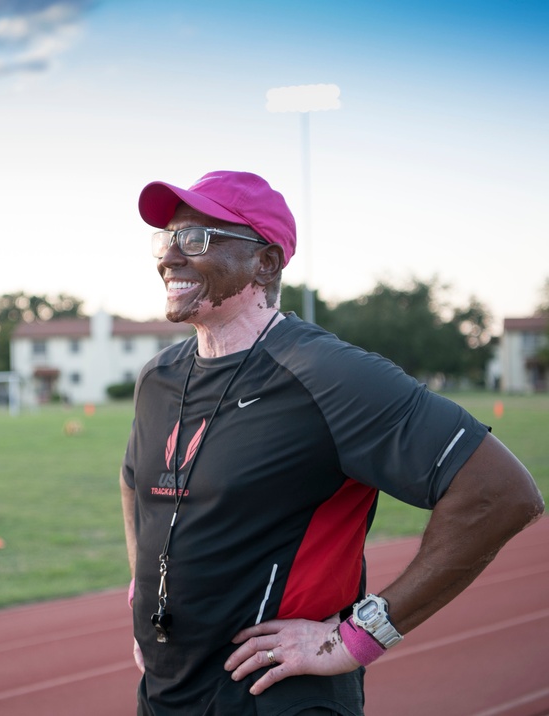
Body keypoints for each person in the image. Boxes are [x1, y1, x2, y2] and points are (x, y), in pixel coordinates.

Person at [119, 170, 544, 715]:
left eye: (197, 239)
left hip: (274, 697)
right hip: (164, 692)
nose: (171, 257)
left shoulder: (327, 373)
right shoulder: (159, 377)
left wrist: (357, 639)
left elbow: (500, 493)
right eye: (168, 239)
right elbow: (135, 482)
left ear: (265, 263)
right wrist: (143, 592)